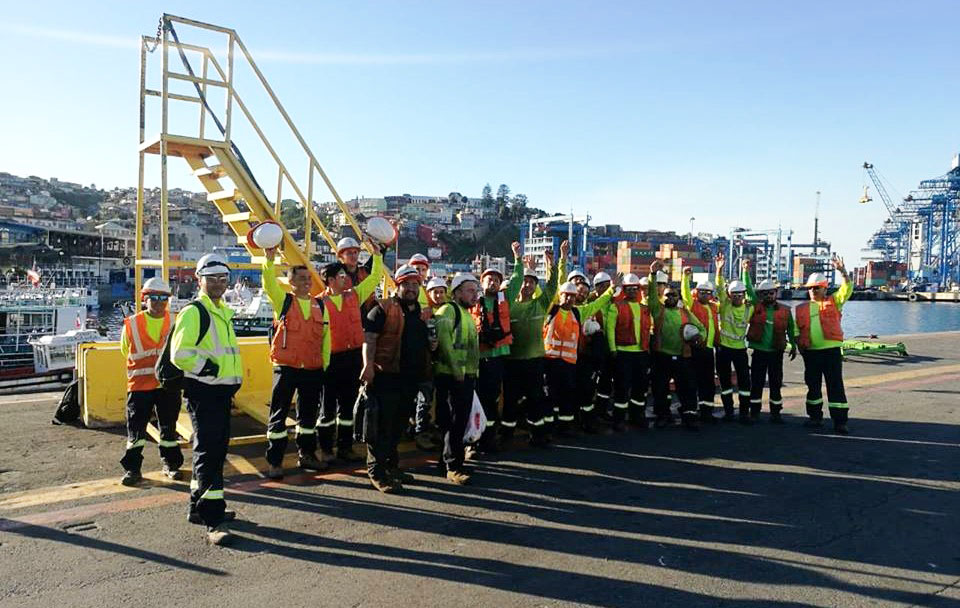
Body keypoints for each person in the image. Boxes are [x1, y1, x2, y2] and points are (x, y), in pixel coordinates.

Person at [171, 253, 243, 545]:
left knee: (211, 452)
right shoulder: (195, 312)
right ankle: (213, 519)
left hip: (220, 392)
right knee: (210, 455)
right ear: (199, 280)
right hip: (206, 391)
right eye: (211, 279)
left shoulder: (221, 310)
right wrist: (209, 369)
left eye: (222, 279)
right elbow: (180, 354)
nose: (217, 284)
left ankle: (196, 508)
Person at [361, 265, 436, 493]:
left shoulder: (419, 313)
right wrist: (368, 366)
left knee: (399, 426)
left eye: (415, 285)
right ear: (398, 285)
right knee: (381, 427)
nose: (412, 288)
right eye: (407, 284)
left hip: (410, 379)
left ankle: (392, 467)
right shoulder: (382, 308)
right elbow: (369, 339)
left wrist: (431, 345)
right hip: (386, 376)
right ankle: (377, 472)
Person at [261, 246, 326, 480]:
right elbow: (269, 284)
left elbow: (325, 339)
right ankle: (275, 461)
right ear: (291, 282)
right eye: (301, 279)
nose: (307, 282)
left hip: (312, 369)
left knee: (308, 416)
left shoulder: (320, 305)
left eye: (309, 278)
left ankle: (307, 454)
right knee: (278, 415)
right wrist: (269, 260)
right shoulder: (284, 302)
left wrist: (324, 365)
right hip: (286, 368)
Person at [318, 237, 385, 463]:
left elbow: (375, 276)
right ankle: (326, 449)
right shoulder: (318, 303)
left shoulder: (353, 296)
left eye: (345, 276)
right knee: (327, 410)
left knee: (346, 407)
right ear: (329, 280)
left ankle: (345, 447)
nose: (346, 278)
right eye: (341, 276)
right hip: (329, 361)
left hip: (351, 358)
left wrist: (377, 254)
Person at [119, 277, 183, 486]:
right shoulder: (132, 324)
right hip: (139, 387)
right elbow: (125, 349)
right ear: (144, 298)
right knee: (136, 431)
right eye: (153, 297)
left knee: (168, 429)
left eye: (163, 298)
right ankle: (133, 470)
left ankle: (171, 465)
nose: (158, 302)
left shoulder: (177, 321)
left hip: (168, 386)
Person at [543, 269, 616, 438]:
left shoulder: (578, 312)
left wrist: (612, 289)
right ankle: (549, 427)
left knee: (569, 394)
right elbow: (550, 288)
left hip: (571, 361)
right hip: (551, 360)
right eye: (566, 295)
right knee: (551, 395)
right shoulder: (551, 309)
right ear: (561, 295)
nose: (569, 298)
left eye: (573, 295)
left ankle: (566, 425)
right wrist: (553, 266)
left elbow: (597, 304)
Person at [503, 244, 562, 445]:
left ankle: (538, 435)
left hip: (535, 361)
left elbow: (553, 286)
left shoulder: (540, 304)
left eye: (531, 282)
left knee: (535, 399)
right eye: (524, 281)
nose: (526, 285)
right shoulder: (509, 307)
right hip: (513, 362)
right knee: (510, 401)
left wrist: (552, 265)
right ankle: (507, 436)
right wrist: (517, 259)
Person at [469, 243, 523, 454]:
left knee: (491, 400)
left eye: (496, 280)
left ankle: (488, 439)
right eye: (489, 279)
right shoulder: (472, 301)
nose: (492, 282)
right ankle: (472, 441)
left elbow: (517, 280)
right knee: (475, 400)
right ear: (482, 282)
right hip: (477, 358)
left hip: (497, 358)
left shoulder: (505, 299)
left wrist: (517, 258)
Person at [796, 256, 853, 434]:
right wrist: (798, 345)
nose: (813, 291)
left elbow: (847, 288)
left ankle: (840, 421)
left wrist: (842, 271)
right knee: (813, 386)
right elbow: (797, 330)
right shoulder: (801, 308)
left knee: (835, 385)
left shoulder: (834, 302)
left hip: (831, 352)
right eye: (810, 288)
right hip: (811, 353)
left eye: (816, 288)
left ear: (824, 288)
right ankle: (815, 417)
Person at [434, 273, 481, 484]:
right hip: (452, 377)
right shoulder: (449, 311)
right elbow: (445, 342)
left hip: (464, 376)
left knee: (458, 422)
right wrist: (457, 371)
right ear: (457, 292)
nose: (475, 295)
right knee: (453, 422)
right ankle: (452, 466)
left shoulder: (465, 314)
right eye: (470, 290)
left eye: (475, 291)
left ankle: (448, 462)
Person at [648, 260, 706, 430]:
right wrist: (652, 274)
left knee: (687, 387)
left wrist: (699, 337)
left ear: (678, 298)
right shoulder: (658, 310)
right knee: (660, 388)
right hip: (662, 356)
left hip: (682, 356)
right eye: (667, 295)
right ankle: (663, 415)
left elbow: (701, 328)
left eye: (674, 295)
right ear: (662, 298)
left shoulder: (685, 313)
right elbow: (652, 295)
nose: (671, 297)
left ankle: (689, 415)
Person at [743, 263, 797, 423]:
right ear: (761, 295)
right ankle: (755, 412)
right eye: (765, 293)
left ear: (776, 293)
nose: (768, 296)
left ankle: (776, 413)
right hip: (759, 352)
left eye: (771, 293)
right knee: (757, 383)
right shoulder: (756, 306)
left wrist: (793, 345)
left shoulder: (785, 311)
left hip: (776, 352)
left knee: (775, 383)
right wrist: (745, 271)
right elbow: (748, 289)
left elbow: (791, 329)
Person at [604, 273, 653, 432]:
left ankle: (637, 416)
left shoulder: (644, 308)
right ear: (624, 290)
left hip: (641, 354)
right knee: (622, 387)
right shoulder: (616, 306)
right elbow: (610, 329)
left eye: (635, 288)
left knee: (640, 387)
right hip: (623, 353)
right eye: (629, 289)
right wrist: (612, 348)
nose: (632, 291)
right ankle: (618, 419)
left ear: (639, 290)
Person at [714, 254, 754, 423]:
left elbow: (752, 292)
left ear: (744, 295)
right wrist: (719, 269)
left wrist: (745, 271)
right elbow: (719, 288)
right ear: (729, 295)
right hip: (723, 349)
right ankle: (729, 412)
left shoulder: (749, 308)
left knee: (745, 383)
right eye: (734, 294)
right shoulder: (724, 305)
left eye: (740, 294)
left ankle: (744, 413)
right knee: (725, 383)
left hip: (740, 350)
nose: (737, 297)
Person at [681, 268, 720, 423]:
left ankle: (707, 412)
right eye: (702, 292)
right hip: (696, 349)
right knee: (693, 382)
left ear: (711, 294)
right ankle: (691, 412)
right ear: (697, 293)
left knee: (708, 382)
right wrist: (685, 277)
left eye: (707, 293)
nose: (704, 295)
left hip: (709, 350)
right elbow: (684, 294)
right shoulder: (693, 305)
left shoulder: (713, 307)